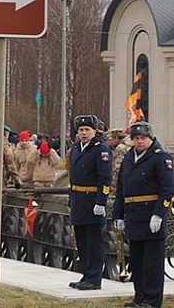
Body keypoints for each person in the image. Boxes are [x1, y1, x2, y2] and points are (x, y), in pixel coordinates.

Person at [112, 121, 174, 308]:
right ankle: (139, 296)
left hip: (150, 215)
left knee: (152, 263)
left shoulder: (160, 157)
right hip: (134, 215)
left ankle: (152, 299)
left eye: (143, 138)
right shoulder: (129, 157)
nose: (139, 142)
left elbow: (167, 189)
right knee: (137, 262)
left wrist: (159, 213)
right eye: (136, 138)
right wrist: (119, 215)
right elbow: (121, 189)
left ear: (151, 139)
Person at [68, 114, 112, 291]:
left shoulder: (100, 150)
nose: (84, 133)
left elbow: (105, 178)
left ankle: (94, 278)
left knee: (94, 241)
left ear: (95, 131)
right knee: (82, 240)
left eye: (87, 130)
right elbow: (73, 177)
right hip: (79, 199)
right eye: (81, 130)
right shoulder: (77, 148)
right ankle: (86, 274)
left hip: (92, 199)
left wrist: (101, 201)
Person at [105, 128, 131, 192]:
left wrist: (113, 185)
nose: (106, 142)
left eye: (108, 139)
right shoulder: (129, 145)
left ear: (116, 138)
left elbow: (116, 168)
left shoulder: (120, 149)